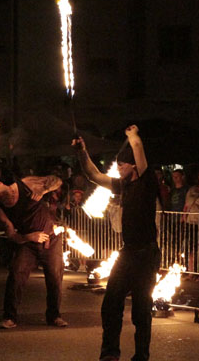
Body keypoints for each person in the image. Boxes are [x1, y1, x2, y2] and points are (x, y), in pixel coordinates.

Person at [73, 125, 161, 361]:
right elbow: (93, 175)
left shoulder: (146, 182)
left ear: (134, 165)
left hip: (146, 255)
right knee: (111, 303)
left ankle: (141, 356)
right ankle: (110, 354)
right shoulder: (123, 185)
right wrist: (82, 151)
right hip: (128, 253)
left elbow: (139, 151)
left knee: (141, 310)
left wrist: (133, 135)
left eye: (122, 164)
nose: (118, 168)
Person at [0, 173, 67, 329]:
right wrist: (28, 237)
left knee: (55, 278)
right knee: (16, 275)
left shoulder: (26, 184)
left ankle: (54, 316)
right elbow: (11, 235)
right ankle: (10, 317)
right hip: (28, 243)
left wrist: (44, 190)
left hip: (51, 239)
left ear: (1, 183)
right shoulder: (0, 210)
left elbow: (57, 180)